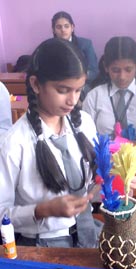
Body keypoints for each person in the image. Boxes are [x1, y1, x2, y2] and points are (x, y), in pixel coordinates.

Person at [0, 38, 103, 248]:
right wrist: (42, 210)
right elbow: (2, 213)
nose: (72, 100)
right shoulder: (15, 142)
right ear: (36, 84)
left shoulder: (84, 123)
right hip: (43, 245)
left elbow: (93, 181)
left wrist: (113, 181)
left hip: (87, 234)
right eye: (63, 90)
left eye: (78, 90)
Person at [83, 36, 136, 142]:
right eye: (115, 70)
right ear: (106, 67)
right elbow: (86, 136)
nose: (122, 77)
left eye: (128, 69)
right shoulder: (94, 97)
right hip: (104, 157)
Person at [52, 11, 98, 97]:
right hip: (57, 85)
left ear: (72, 28)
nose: (63, 30)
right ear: (53, 30)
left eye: (66, 26)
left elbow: (94, 71)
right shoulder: (49, 47)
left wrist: (76, 79)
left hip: (80, 85)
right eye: (59, 27)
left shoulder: (85, 44)